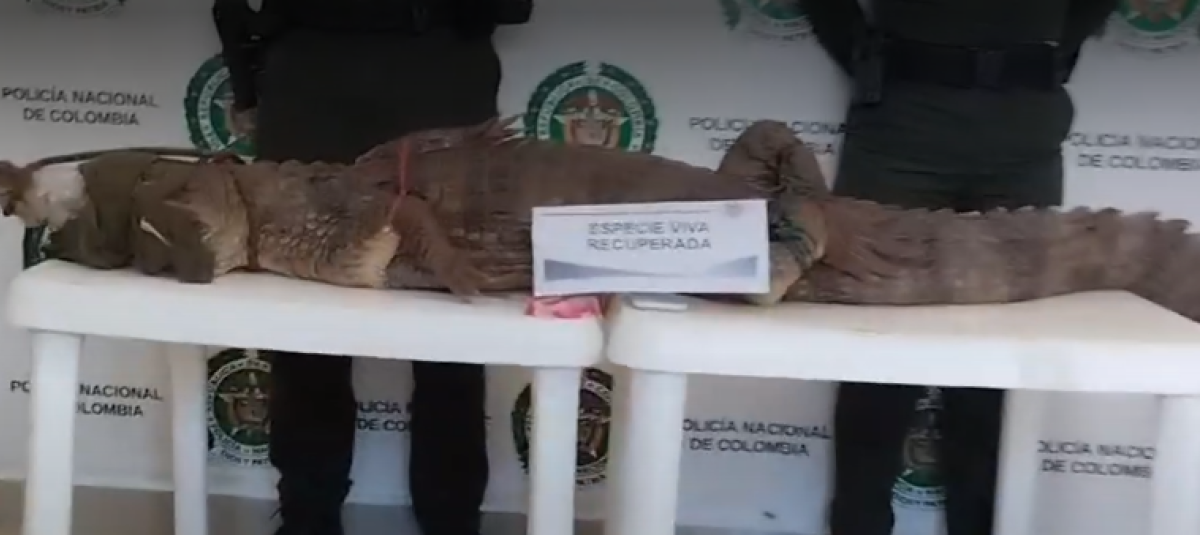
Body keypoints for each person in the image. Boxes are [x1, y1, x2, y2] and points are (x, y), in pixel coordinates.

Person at [210, 0, 532, 534]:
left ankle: (448, 519)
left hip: (438, 69)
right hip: (315, 75)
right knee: (305, 333)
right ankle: (309, 519)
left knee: (452, 326)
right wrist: (248, 84)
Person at [796, 1, 1116, 535]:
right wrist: (870, 56)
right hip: (903, 128)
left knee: (995, 361)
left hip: (1023, 132)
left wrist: (1047, 48)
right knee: (876, 354)